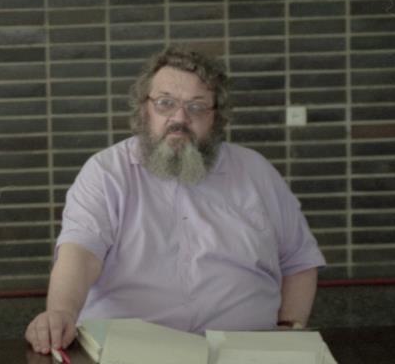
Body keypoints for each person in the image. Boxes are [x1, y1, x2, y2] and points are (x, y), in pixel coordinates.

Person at [26, 46, 325, 354]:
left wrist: (288, 332)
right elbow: (80, 253)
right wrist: (61, 311)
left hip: (248, 352)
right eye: (165, 103)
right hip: (130, 352)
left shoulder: (256, 172)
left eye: (196, 107)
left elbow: (299, 260)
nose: (179, 118)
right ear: (144, 109)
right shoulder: (106, 172)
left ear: (216, 117)